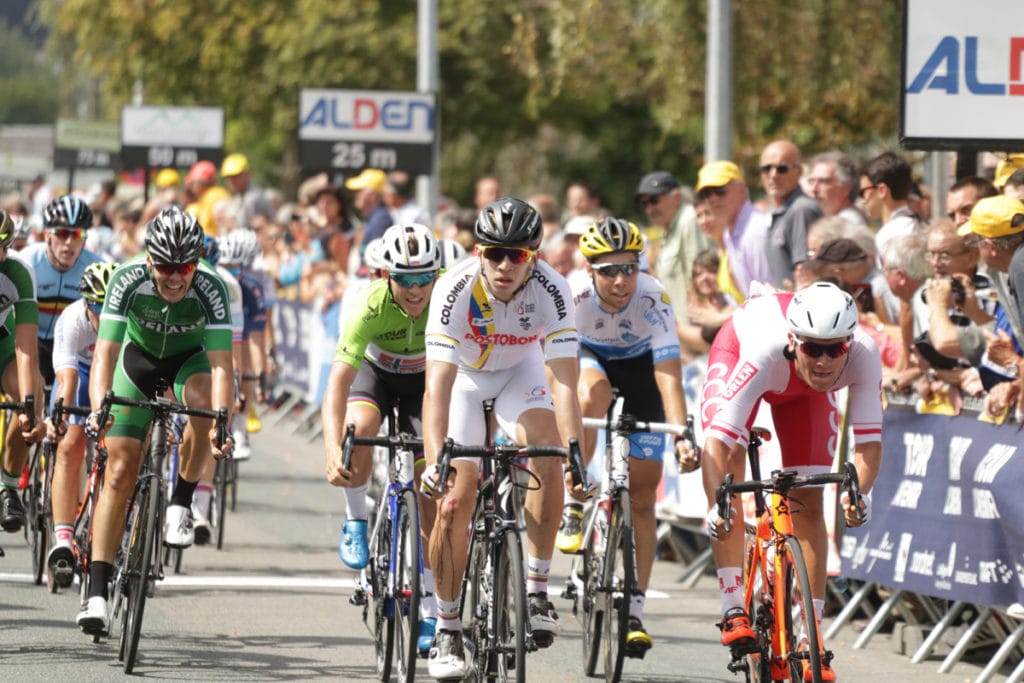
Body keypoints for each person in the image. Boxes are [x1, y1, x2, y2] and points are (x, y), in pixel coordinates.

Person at [419, 198, 584, 679]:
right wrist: (435, 459)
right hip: (464, 382)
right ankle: (448, 626)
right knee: (454, 500)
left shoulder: (553, 289)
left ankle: (536, 590)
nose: (505, 265)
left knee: (548, 454)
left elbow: (565, 382)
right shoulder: (453, 288)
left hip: (519, 374)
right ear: (478, 252)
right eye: (495, 254)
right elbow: (437, 387)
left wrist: (575, 454)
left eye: (517, 255)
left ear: (535, 256)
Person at [700, 282, 880, 682]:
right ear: (794, 340)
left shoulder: (864, 354)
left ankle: (810, 638)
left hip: (803, 395)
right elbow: (715, 442)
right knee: (730, 465)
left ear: (849, 343)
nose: (824, 360)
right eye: (813, 348)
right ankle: (733, 606)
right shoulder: (766, 347)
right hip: (740, 353)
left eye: (835, 349)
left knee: (809, 502)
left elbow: (869, 443)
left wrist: (860, 494)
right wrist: (717, 504)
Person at [76, 206, 235, 634]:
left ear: (196, 264)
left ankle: (181, 501)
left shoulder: (212, 287)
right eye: (165, 267)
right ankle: (97, 593)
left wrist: (222, 423)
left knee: (204, 403)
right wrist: (99, 409)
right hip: (137, 360)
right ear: (149, 261)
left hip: (189, 361)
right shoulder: (126, 279)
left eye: (185, 267)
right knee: (120, 469)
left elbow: (222, 366)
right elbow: (105, 353)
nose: (175, 277)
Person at [554, 217, 697, 654]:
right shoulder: (574, 295)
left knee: (643, 498)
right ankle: (575, 500)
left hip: (640, 369)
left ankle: (634, 609)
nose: (621, 280)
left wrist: (681, 433)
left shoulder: (654, 297)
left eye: (629, 268)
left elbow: (669, 375)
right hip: (590, 357)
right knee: (593, 394)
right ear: (590, 270)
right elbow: (560, 374)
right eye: (609, 270)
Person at [322, 223, 443, 655]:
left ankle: (430, 606)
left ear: (438, 274)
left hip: (424, 382)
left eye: (425, 278)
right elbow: (337, 385)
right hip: (376, 378)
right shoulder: (369, 304)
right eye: (405, 279)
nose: (416, 289)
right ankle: (356, 518)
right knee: (359, 428)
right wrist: (332, 448)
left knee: (430, 487)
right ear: (386, 275)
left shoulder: (447, 298)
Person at [45, 262, 117, 587]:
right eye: (97, 309)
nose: (103, 317)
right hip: (80, 371)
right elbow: (68, 380)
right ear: (87, 304)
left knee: (117, 448)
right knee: (70, 443)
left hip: (113, 371)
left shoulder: (124, 319)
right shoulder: (73, 318)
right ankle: (63, 539)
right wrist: (61, 418)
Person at [20, 195, 103, 392]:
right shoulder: (27, 262)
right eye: (62, 233)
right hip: (32, 339)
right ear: (47, 235)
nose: (69, 242)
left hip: (72, 345)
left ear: (85, 238)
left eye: (77, 234)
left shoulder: (96, 268)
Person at [0, 211, 46, 533]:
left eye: (5, 247)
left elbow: (26, 349)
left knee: (32, 392)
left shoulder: (18, 271)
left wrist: (29, 407)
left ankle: (8, 486)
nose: (2, 256)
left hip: (4, 342)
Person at [635, 170, 708, 331]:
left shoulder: (689, 220)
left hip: (697, 328)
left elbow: (700, 276)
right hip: (682, 329)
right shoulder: (669, 228)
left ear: (676, 196)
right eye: (644, 204)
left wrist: (698, 332)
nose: (649, 209)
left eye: (654, 200)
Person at [695, 161, 773, 299]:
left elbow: (770, 297)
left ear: (742, 189)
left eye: (720, 190)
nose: (713, 198)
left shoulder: (755, 233)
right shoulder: (729, 234)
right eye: (705, 193)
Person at [759, 140, 823, 289]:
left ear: (799, 172)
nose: (773, 175)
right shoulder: (775, 211)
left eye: (782, 168)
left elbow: (806, 277)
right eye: (767, 168)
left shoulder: (802, 210)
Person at [807, 151, 866, 225]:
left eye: (823, 181)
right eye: (811, 181)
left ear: (846, 189)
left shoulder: (847, 223)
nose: (814, 189)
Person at [221, 153, 274, 231]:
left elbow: (252, 230)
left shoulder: (253, 198)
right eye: (229, 177)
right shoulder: (239, 197)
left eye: (235, 176)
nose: (231, 181)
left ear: (247, 175)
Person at [347, 168, 393, 252]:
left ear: (372, 195)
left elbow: (374, 254)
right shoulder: (374, 218)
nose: (356, 194)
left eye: (360, 190)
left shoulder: (381, 219)